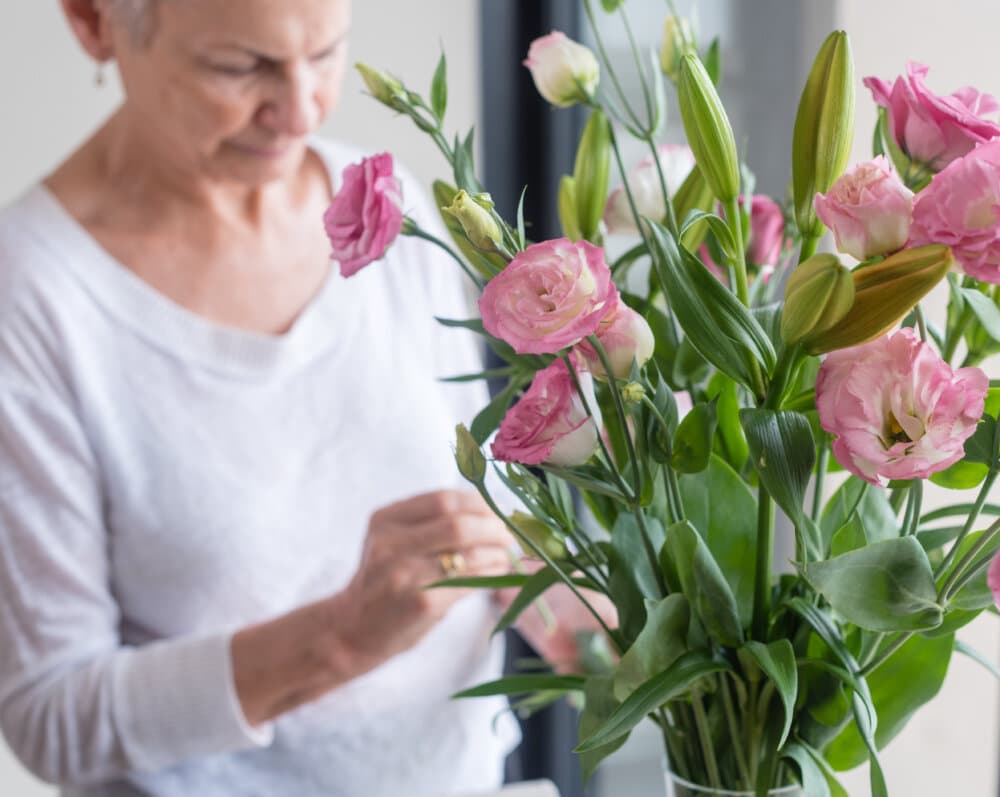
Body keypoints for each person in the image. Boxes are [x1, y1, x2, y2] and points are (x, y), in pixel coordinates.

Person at [0, 1, 601, 794]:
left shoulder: (388, 212)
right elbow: (52, 715)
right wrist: (340, 638)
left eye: (325, 53)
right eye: (239, 67)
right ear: (92, 21)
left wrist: (595, 614)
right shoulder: (32, 298)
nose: (302, 109)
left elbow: (474, 512)